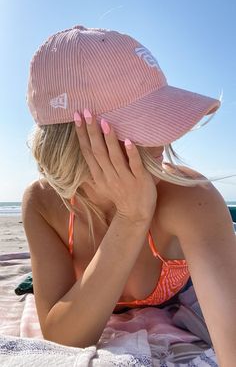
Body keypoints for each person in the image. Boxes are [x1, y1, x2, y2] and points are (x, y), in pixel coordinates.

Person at [22, 24, 236, 365]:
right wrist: (132, 218)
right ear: (75, 142)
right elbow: (63, 338)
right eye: (147, 126)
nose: (164, 143)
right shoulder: (43, 204)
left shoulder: (190, 198)